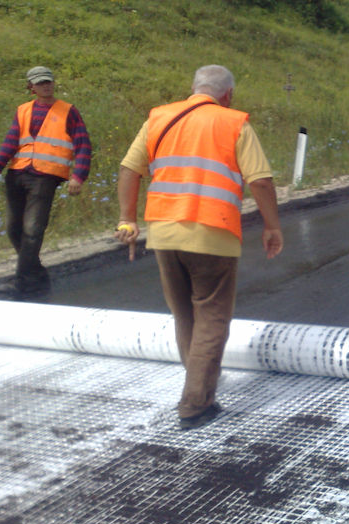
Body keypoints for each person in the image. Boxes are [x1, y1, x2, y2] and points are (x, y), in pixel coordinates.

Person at [115, 64, 284, 430]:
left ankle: (200, 379)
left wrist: (127, 219)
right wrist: (272, 226)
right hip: (211, 232)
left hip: (164, 232)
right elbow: (260, 181)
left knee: (185, 315)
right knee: (211, 318)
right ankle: (195, 404)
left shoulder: (158, 118)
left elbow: (129, 169)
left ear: (194, 88)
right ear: (228, 95)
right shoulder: (234, 122)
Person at [0, 66, 91, 297]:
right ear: (31, 87)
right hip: (17, 173)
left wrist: (78, 175)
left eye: (48, 81)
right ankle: (37, 276)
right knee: (14, 229)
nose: (46, 86)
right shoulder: (23, 110)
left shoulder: (68, 111)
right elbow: (11, 141)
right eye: (40, 83)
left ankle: (22, 283)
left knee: (32, 230)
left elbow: (83, 144)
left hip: (45, 176)